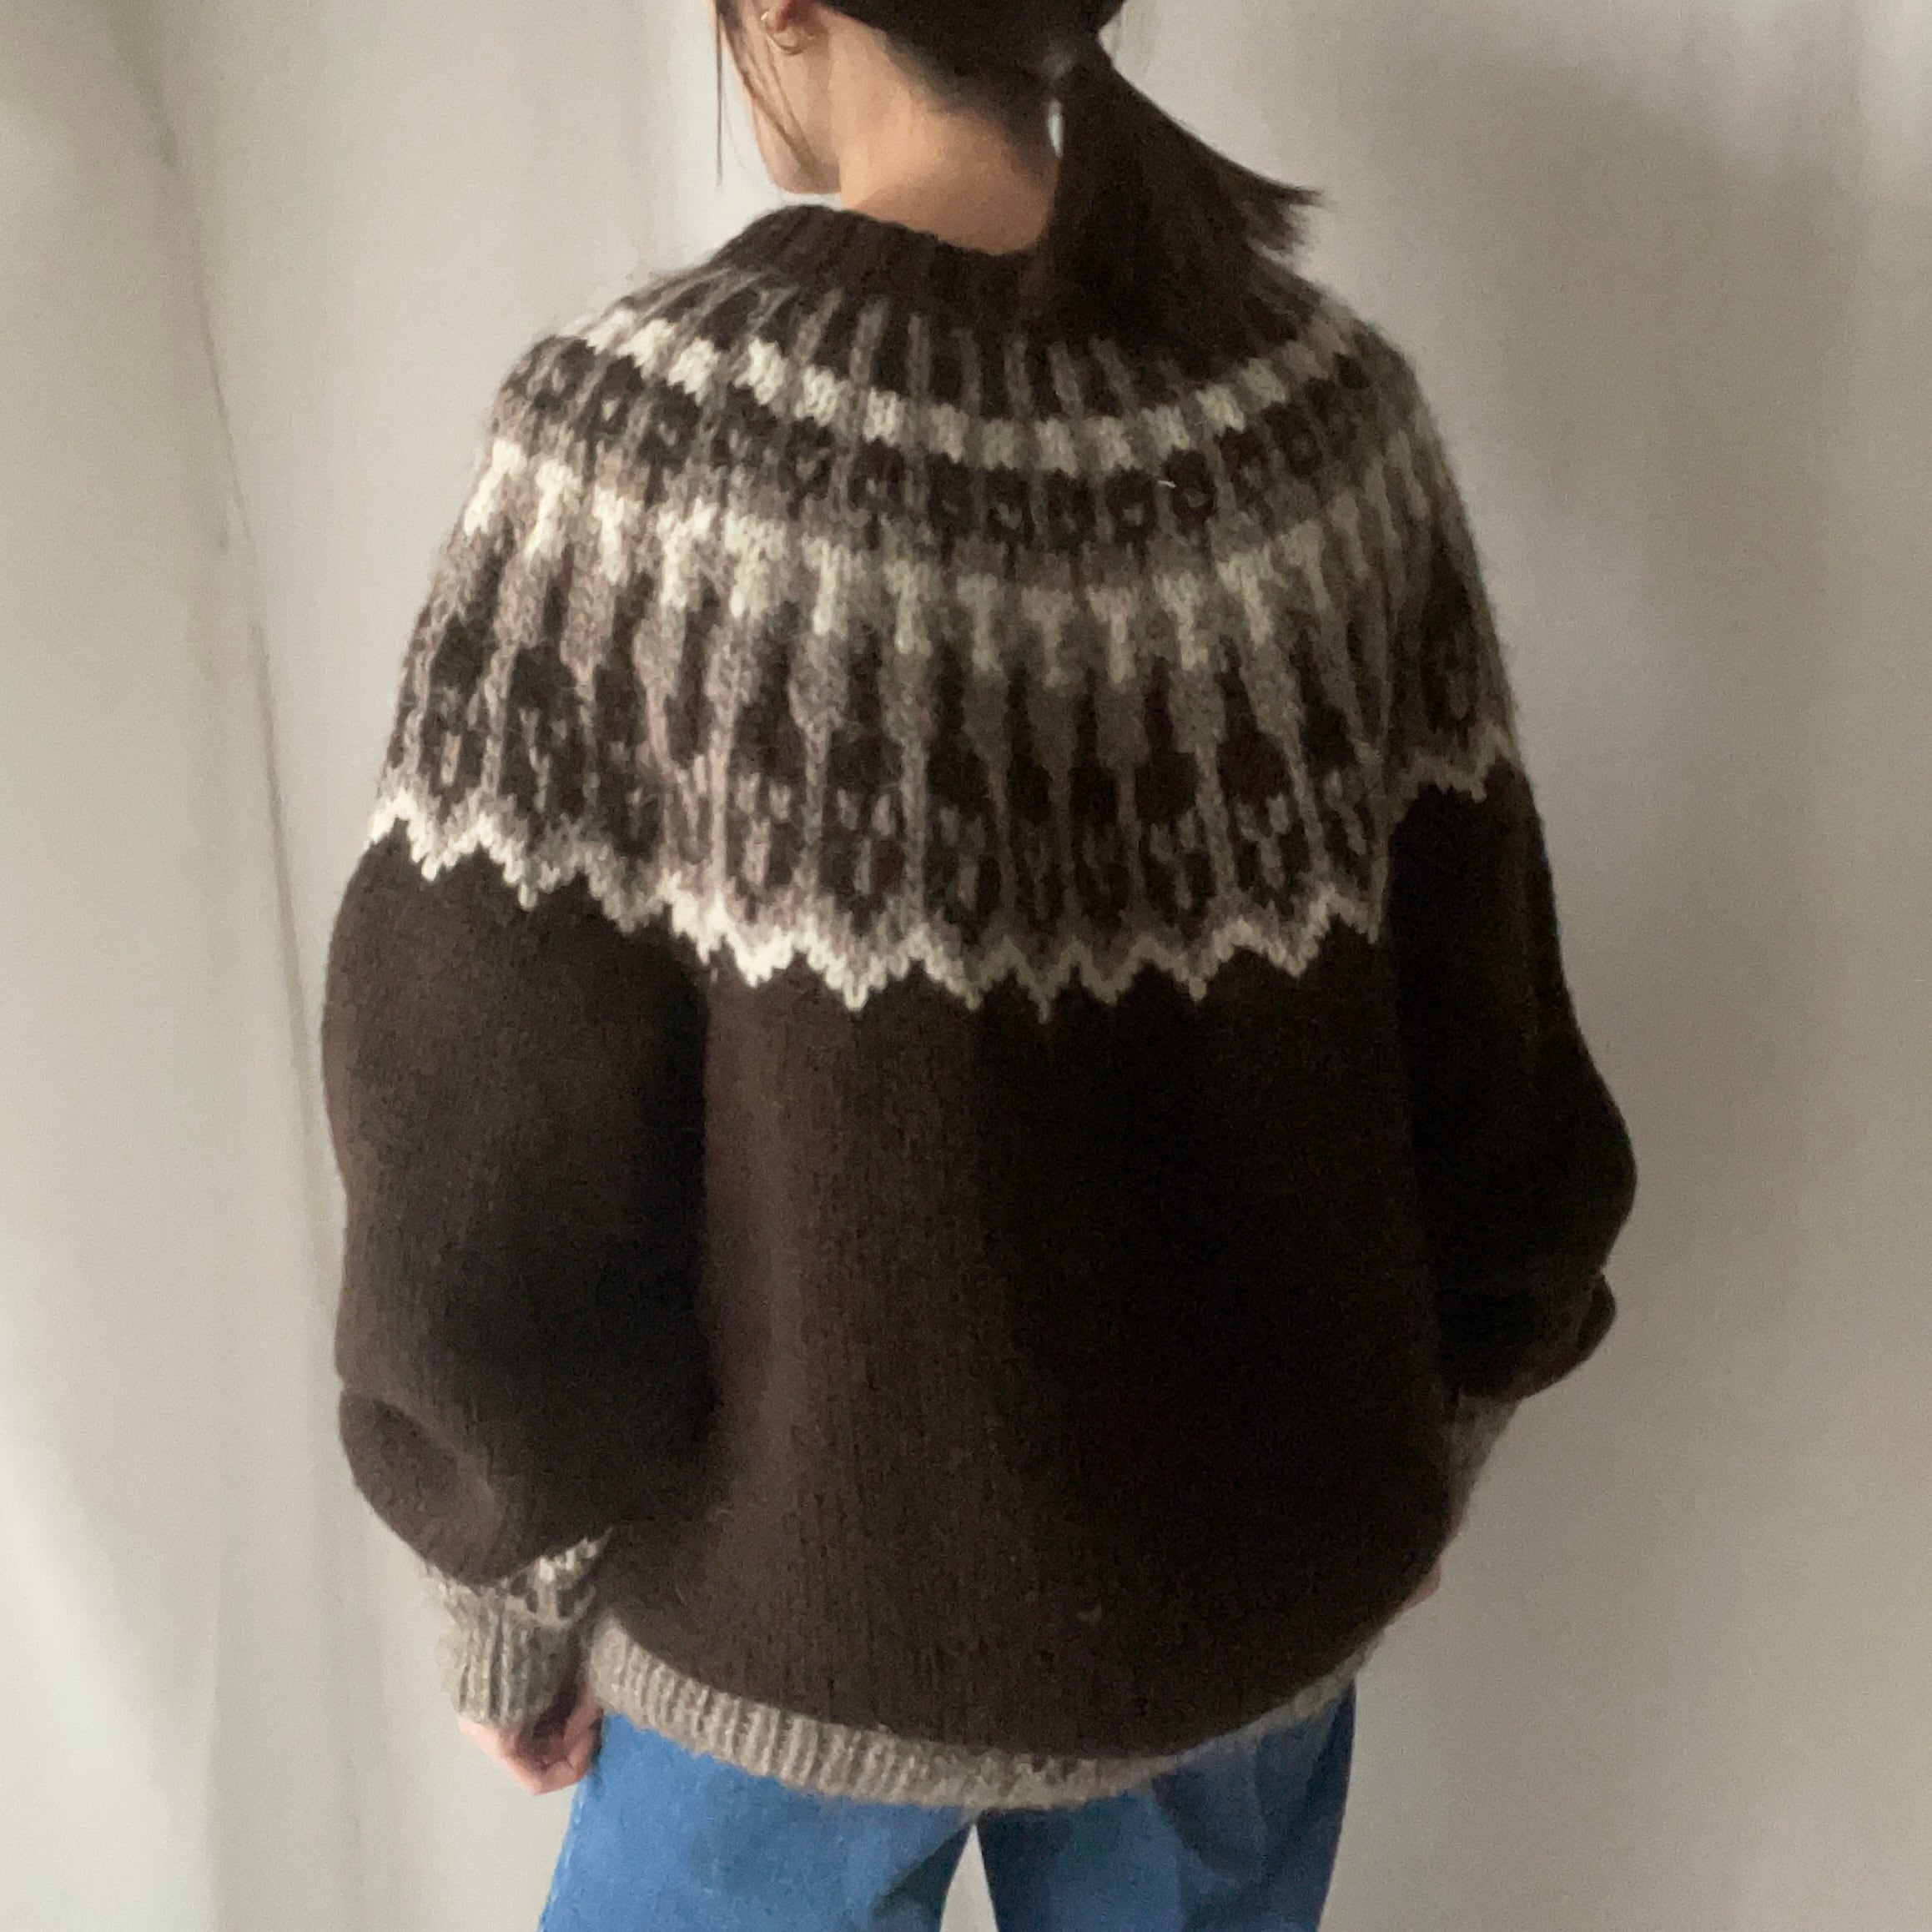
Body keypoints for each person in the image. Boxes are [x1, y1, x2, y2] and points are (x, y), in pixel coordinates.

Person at [319, 3, 1638, 1925]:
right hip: (1243, 1611)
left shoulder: (637, 456)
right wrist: (1431, 1439)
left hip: (784, 1648)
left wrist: (505, 1602)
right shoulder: (1327, 419)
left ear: (783, 12)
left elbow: (489, 1137)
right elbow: (1485, 1046)